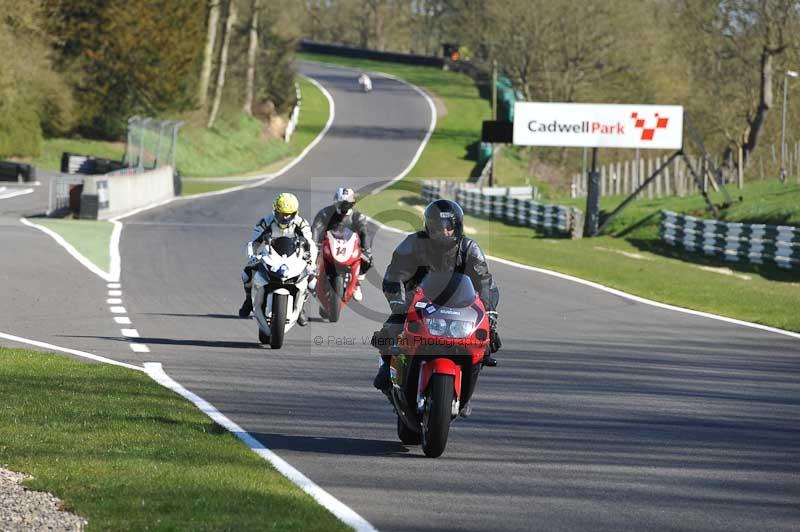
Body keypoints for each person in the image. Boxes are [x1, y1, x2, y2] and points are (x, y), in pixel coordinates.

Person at [371, 199, 501, 393]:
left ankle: (466, 393)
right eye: (440, 227)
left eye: (450, 227)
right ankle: (387, 369)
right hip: (417, 303)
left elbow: (484, 282)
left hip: (460, 308)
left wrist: (489, 314)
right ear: (429, 226)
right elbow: (394, 274)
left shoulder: (469, 248)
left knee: (486, 344)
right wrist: (398, 304)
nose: (445, 231)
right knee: (390, 333)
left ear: (458, 227)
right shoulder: (414, 243)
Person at [239, 192, 317, 325]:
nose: (285, 218)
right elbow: (254, 242)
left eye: (288, 215)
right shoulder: (265, 222)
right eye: (281, 214)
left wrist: (311, 262)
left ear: (295, 213)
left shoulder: (302, 224)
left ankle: (301, 307)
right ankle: (248, 300)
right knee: (246, 273)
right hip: (270, 255)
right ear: (275, 210)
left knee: (311, 279)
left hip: (294, 256)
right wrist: (252, 256)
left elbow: (311, 244)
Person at [312, 187, 372, 303]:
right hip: (328, 245)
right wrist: (314, 245)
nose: (344, 207)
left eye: (348, 204)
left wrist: (366, 249)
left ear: (352, 204)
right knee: (310, 261)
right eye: (342, 203)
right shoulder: (325, 213)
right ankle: (313, 280)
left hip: (349, 246)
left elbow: (364, 233)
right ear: (335, 202)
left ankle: (357, 282)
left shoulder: (357, 216)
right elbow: (316, 228)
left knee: (368, 260)